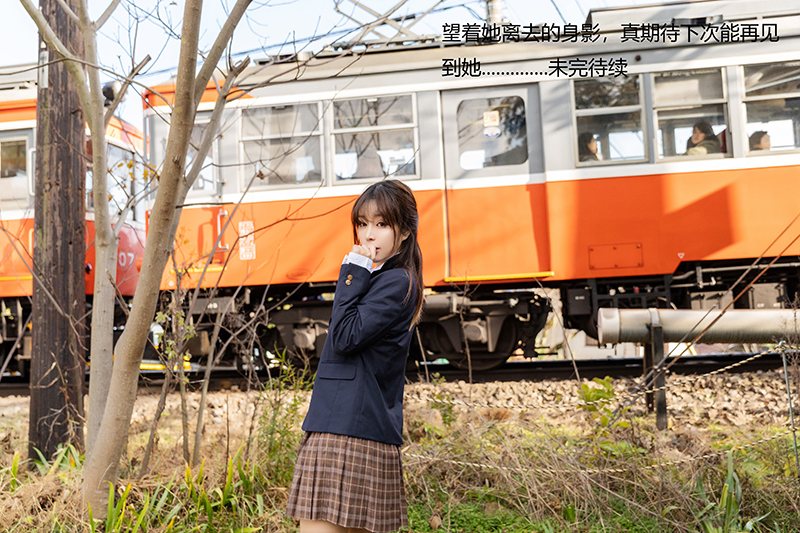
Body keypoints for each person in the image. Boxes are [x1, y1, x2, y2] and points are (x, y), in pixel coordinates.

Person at [286, 179, 424, 533]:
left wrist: (352, 272)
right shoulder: (384, 279)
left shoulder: (395, 282)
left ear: (405, 233)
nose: (368, 235)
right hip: (348, 424)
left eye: (381, 224)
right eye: (362, 224)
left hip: (348, 429)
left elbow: (344, 337)